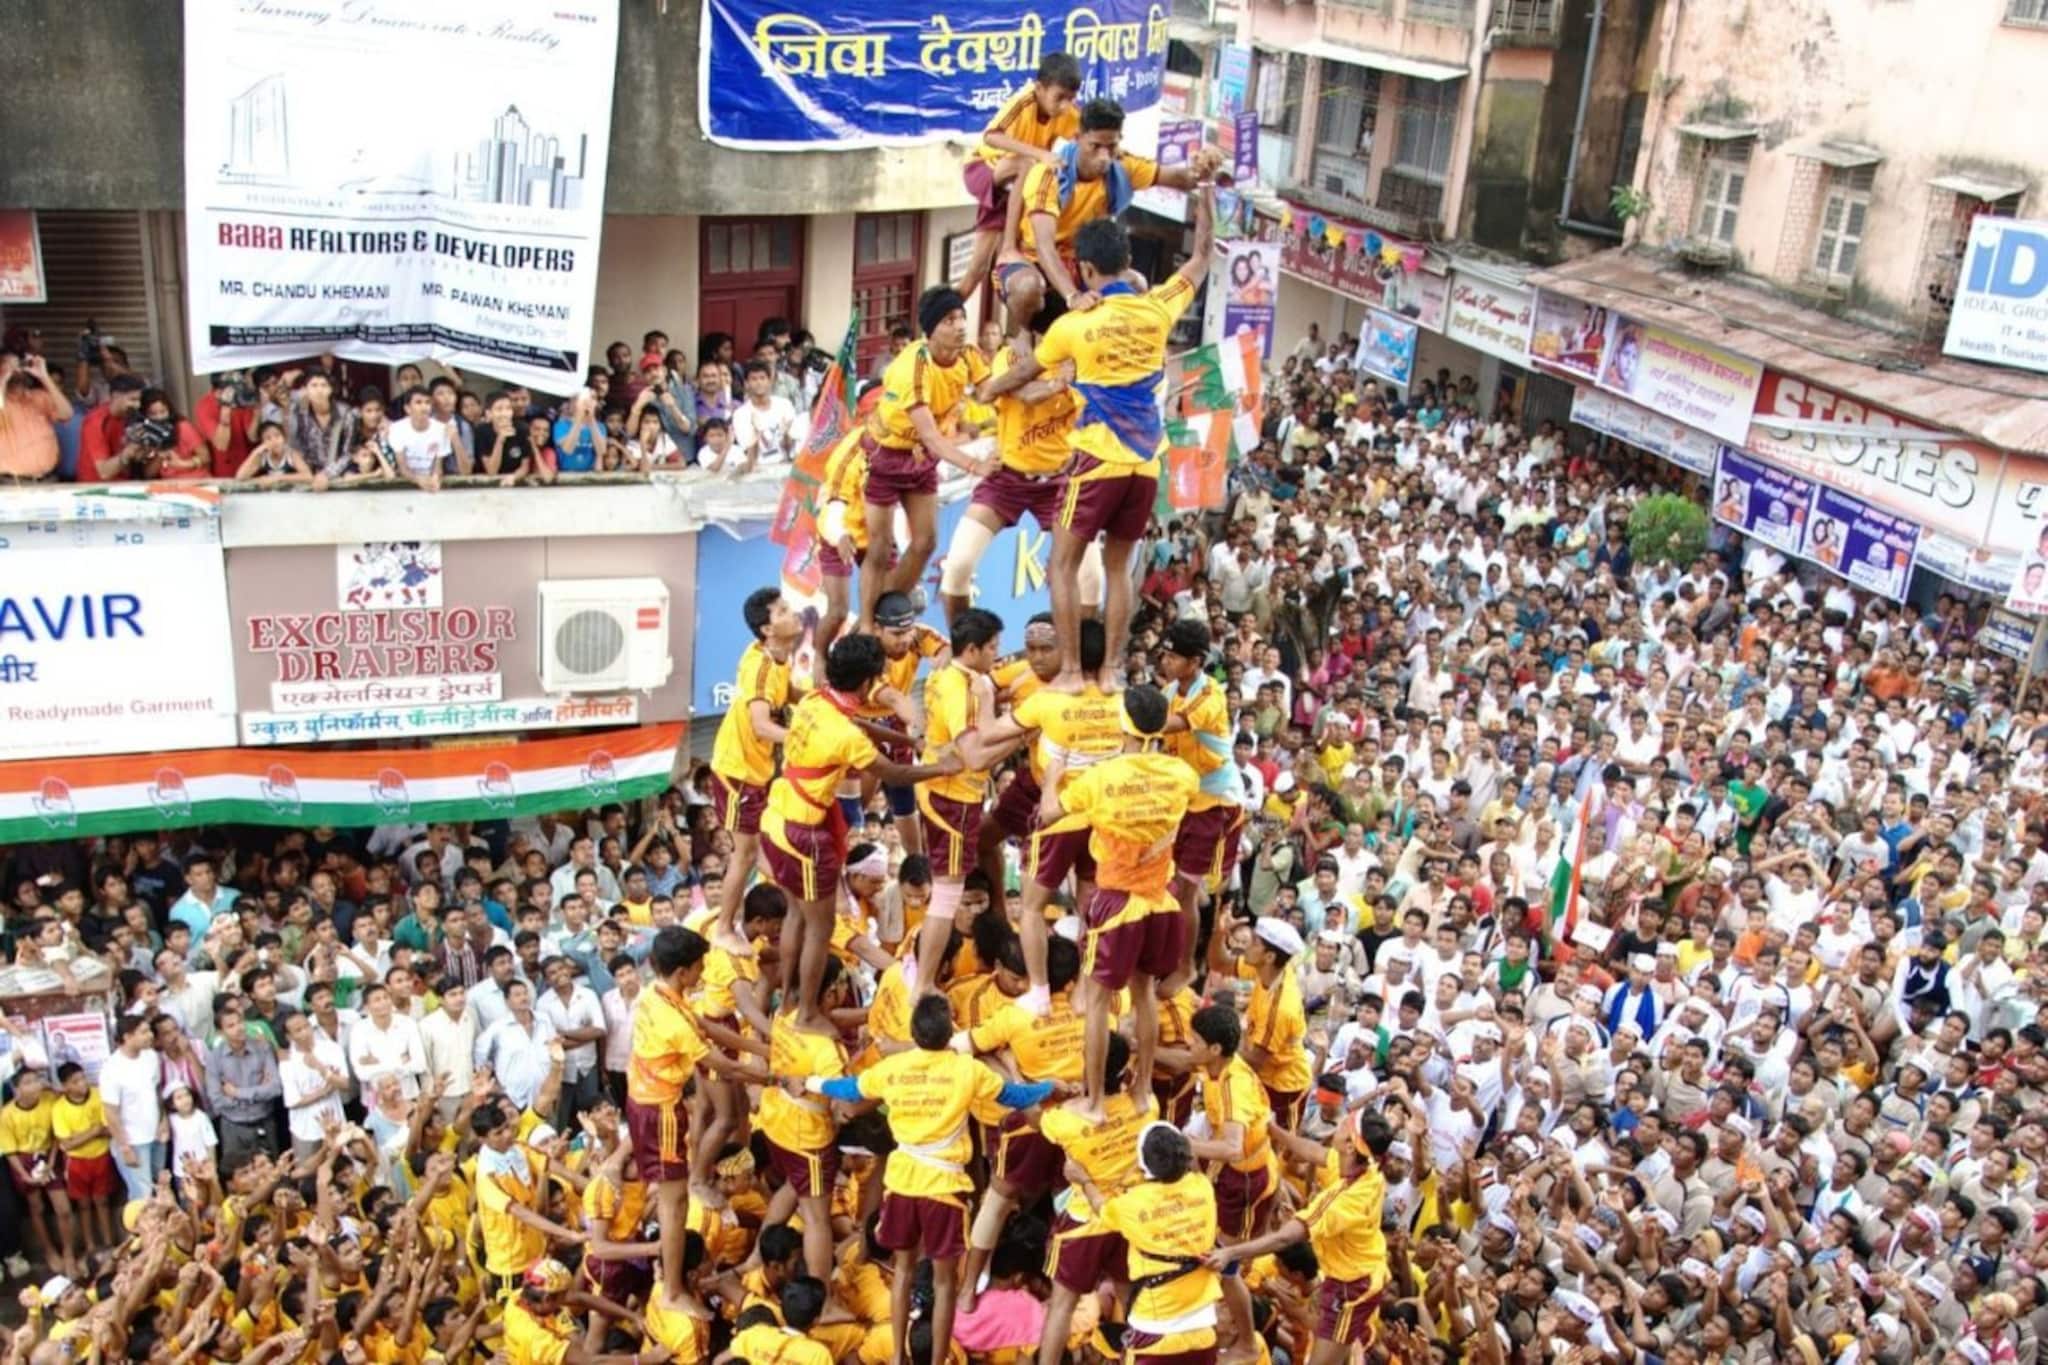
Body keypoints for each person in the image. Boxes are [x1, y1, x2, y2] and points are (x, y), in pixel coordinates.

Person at [992, 183, 1216, 692]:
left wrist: (989, 390)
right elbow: (1202, 257)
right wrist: (1205, 196)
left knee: (1062, 565)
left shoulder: (1075, 324)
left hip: (1095, 460)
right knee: (1118, 571)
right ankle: (1111, 670)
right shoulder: (1157, 309)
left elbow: (1028, 368)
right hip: (1145, 465)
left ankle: (1071, 671)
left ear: (1085, 271)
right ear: (1129, 260)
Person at [806, 993, 1057, 1365]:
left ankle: (895, 1355)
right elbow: (1017, 1096)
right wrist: (1051, 1087)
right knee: (944, 1284)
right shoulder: (967, 1070)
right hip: (944, 1189)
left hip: (903, 1183)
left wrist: (813, 1083)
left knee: (903, 1270)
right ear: (950, 1032)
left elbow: (850, 1089)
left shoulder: (894, 1067)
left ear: (913, 1032)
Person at [761, 634, 958, 1031]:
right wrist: (943, 766)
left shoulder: (816, 700)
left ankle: (789, 1007)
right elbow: (894, 773)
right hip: (805, 834)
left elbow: (863, 724)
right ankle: (807, 1015)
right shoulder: (845, 737)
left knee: (797, 917)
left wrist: (909, 739)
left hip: (776, 819)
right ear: (867, 682)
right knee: (821, 926)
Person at [1032, 683, 1196, 1116]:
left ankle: (1094, 1100)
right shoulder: (1181, 774)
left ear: (1123, 723)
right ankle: (1142, 1091)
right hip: (1161, 902)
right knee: (1144, 993)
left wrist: (1052, 775)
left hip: (1117, 905)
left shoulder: (1101, 778)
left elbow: (1049, 814)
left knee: (1100, 1004)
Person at [855, 287, 995, 631]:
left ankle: (882, 612)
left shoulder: (969, 354)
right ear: (931, 329)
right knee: (880, 547)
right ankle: (869, 623)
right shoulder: (911, 367)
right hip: (887, 456)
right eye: (950, 320)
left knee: (926, 542)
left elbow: (993, 392)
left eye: (962, 317)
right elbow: (932, 437)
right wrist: (976, 466)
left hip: (920, 459)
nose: (961, 326)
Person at [707, 587, 802, 955]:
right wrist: (803, 738)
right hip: (737, 771)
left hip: (757, 770)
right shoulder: (759, 666)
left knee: (763, 843)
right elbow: (762, 725)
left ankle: (783, 894)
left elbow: (788, 690)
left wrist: (814, 699)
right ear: (767, 628)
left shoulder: (779, 656)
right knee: (744, 853)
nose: (792, 613)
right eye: (782, 611)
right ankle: (724, 928)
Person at [951, 51, 1084, 299]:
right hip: (985, 169)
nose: (1065, 105)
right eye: (1059, 98)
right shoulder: (1024, 102)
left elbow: (1085, 140)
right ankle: (1009, 246)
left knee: (976, 270)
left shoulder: (1069, 114)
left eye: (1071, 98)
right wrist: (1039, 154)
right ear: (1040, 88)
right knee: (1027, 164)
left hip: (1014, 189)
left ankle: (941, 315)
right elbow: (991, 135)